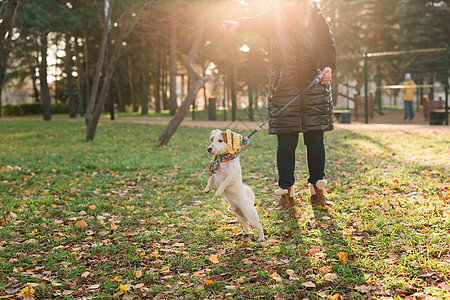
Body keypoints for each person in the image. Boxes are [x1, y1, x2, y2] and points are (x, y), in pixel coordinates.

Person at [220, 0, 336, 211]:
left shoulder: (314, 14)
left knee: (316, 141)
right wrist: (236, 24)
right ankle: (286, 192)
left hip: (314, 88)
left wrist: (328, 66)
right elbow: (254, 23)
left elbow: (327, 45)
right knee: (286, 143)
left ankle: (317, 189)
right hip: (284, 89)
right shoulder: (272, 16)